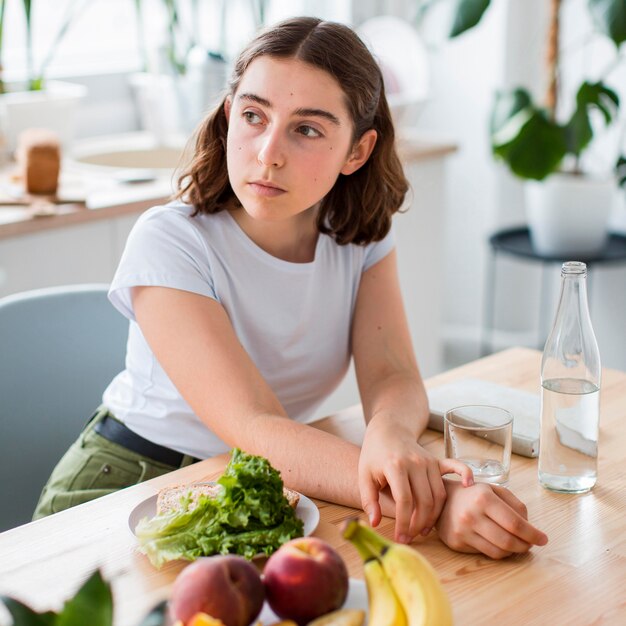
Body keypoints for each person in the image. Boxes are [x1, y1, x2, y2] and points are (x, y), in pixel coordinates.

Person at [34, 16, 547, 559]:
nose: (267, 152)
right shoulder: (170, 242)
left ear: (357, 151)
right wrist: (439, 500)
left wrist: (391, 436)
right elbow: (257, 427)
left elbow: (392, 372)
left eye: (307, 129)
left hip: (261, 485)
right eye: (254, 116)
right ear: (230, 116)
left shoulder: (360, 238)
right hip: (129, 485)